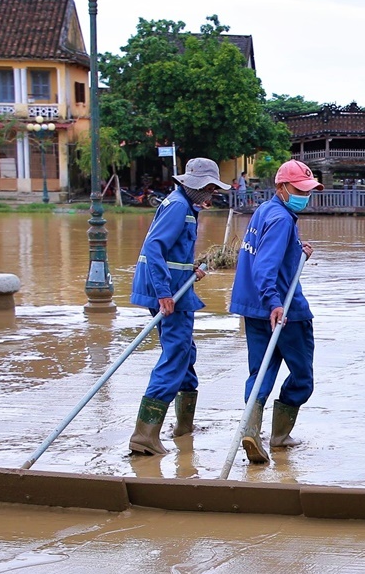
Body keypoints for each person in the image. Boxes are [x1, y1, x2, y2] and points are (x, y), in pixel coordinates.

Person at [127, 157, 221, 454]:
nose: (211, 194)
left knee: (185, 352)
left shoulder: (186, 206)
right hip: (167, 292)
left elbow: (172, 253)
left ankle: (183, 428)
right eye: (208, 188)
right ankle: (145, 436)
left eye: (212, 189)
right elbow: (154, 247)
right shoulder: (179, 206)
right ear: (193, 185)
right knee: (175, 355)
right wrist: (164, 292)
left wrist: (191, 269)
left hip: (178, 288)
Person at [229, 159, 319, 465]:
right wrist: (275, 303)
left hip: (254, 308)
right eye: (299, 189)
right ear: (281, 188)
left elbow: (269, 253)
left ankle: (251, 431)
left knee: (261, 371)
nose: (305, 196)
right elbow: (265, 266)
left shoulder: (266, 211)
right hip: (283, 310)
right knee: (302, 377)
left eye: (308, 190)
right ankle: (279, 437)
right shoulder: (282, 219)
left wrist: (297, 249)